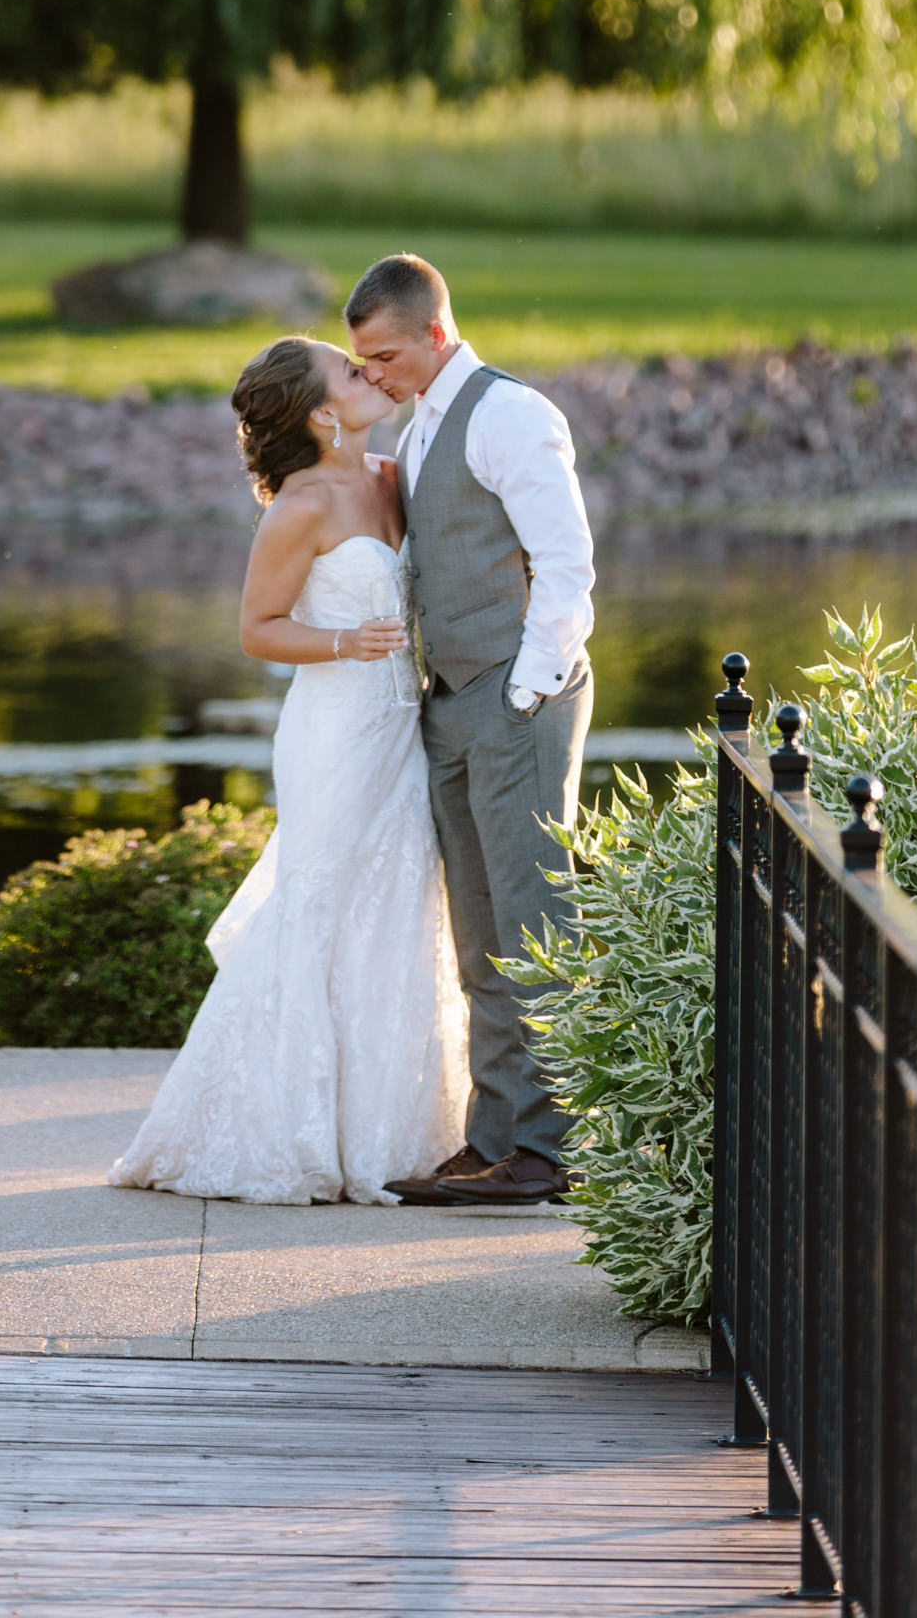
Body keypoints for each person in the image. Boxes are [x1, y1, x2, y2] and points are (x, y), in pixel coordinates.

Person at [108, 334, 469, 1204]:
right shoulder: (300, 507)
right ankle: (286, 1130)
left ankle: (401, 1128)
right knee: (318, 904)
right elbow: (258, 629)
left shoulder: (392, 477)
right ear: (318, 412)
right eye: (351, 371)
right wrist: (344, 640)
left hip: (400, 730)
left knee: (399, 904)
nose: (370, 373)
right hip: (335, 733)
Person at [343, 251, 595, 1207]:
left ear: (436, 333)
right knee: (480, 935)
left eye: (385, 356)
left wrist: (523, 696)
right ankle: (497, 1139)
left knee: (536, 922)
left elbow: (567, 569)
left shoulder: (511, 413)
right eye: (362, 362)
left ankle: (553, 1149)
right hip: (449, 702)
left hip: (513, 700)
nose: (373, 374)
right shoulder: (419, 426)